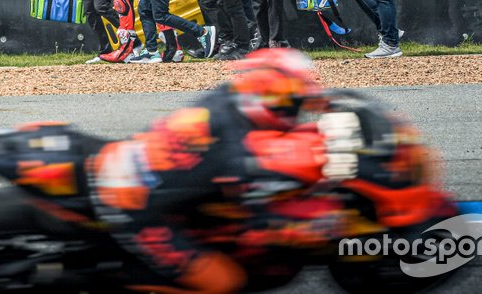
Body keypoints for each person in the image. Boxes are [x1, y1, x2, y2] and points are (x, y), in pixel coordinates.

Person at [90, 48, 335, 294]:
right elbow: (256, 209)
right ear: (269, 96)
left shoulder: (230, 96)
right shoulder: (230, 145)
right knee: (225, 281)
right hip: (134, 207)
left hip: (148, 181)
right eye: (292, 102)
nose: (296, 112)